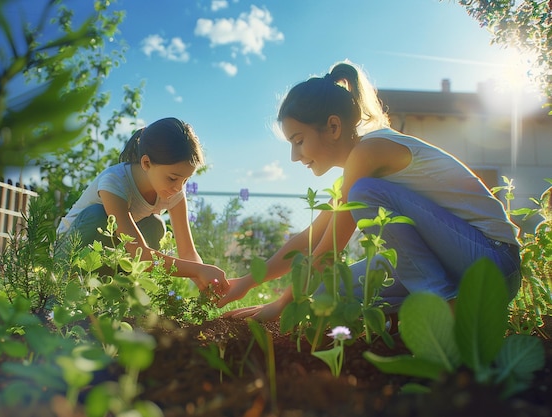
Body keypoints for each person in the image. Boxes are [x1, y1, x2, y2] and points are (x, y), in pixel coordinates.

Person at [217, 60, 521, 320]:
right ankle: (418, 314)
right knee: (323, 296)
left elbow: (329, 250)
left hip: (491, 263)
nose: (294, 156)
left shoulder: (370, 152)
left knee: (364, 193)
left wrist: (282, 303)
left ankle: (443, 312)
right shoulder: (357, 169)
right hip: (455, 265)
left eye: (298, 140)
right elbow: (310, 238)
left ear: (333, 127)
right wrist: (247, 282)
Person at [57, 117, 228, 294]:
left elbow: (187, 252)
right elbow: (137, 253)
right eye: (173, 178)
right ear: (146, 163)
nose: (179, 187)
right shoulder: (115, 182)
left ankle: (120, 297)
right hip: (69, 257)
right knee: (98, 214)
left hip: (110, 258)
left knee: (154, 224)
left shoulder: (173, 191)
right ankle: (63, 294)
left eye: (186, 180)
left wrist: (207, 283)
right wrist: (199, 270)